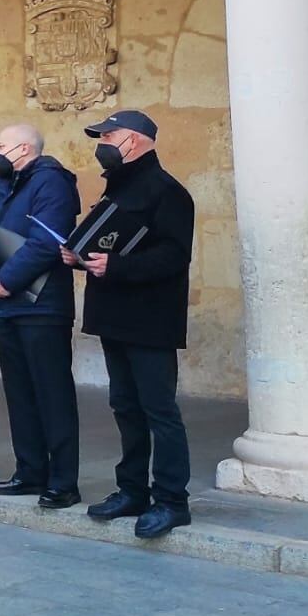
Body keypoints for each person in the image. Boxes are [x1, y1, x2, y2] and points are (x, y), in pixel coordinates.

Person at [68, 110, 196, 539]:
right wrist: (77, 254)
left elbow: (174, 255)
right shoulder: (117, 188)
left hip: (150, 319)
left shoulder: (167, 191)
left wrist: (117, 266)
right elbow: (105, 241)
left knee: (159, 410)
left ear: (137, 140)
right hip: (114, 316)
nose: (102, 143)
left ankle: (172, 500)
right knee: (125, 406)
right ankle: (132, 490)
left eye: (110, 135)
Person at [0, 124, 83, 508]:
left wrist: (5, 279)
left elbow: (46, 242)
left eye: (1, 144)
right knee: (20, 394)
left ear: (23, 149)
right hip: (8, 304)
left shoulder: (51, 183)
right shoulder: (8, 185)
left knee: (51, 394)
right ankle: (29, 470)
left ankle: (63, 481)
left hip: (42, 308)